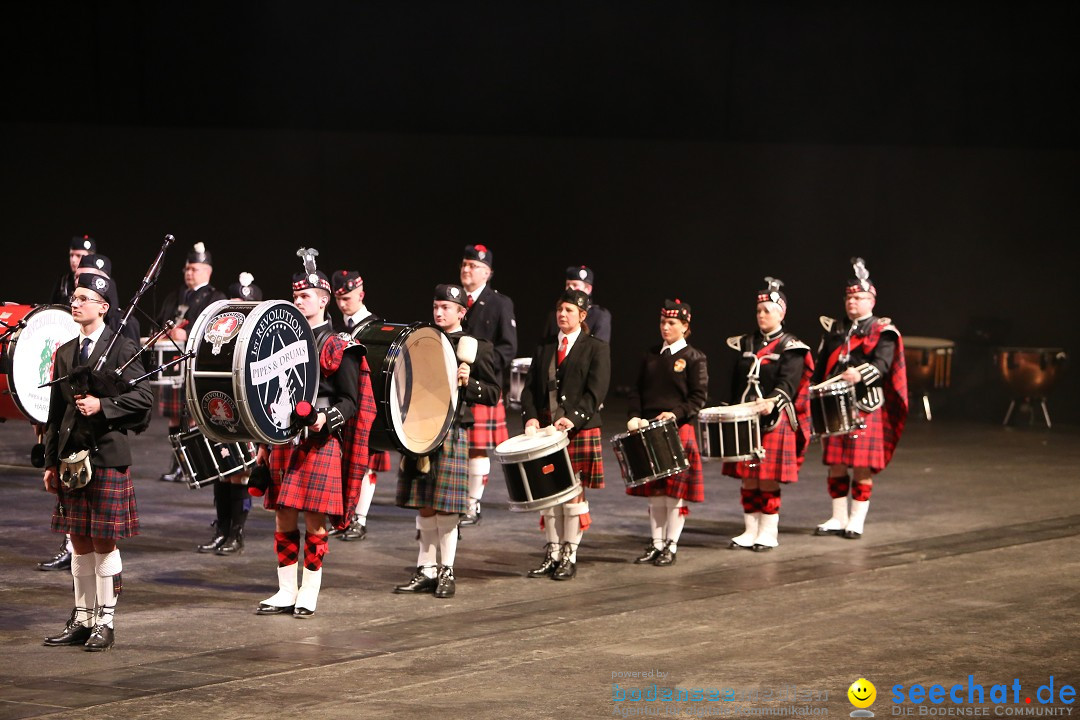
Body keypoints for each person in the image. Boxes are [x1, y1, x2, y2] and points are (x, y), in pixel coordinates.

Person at [41, 273, 153, 651]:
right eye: (74, 297)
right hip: (71, 460)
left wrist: (102, 406)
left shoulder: (122, 348)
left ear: (103, 307)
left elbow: (144, 398)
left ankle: (106, 621)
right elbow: (56, 414)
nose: (76, 303)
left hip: (106, 458)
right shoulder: (67, 352)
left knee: (104, 542)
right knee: (78, 540)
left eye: (85, 298)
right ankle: (82, 618)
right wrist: (50, 462)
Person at [255, 248, 358, 618]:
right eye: (295, 296)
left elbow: (350, 401)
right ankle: (285, 590)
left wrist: (321, 420)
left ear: (324, 300)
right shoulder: (282, 342)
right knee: (283, 516)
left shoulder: (338, 344)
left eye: (304, 296)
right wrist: (264, 444)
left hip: (320, 441)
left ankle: (309, 591)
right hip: (284, 438)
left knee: (314, 519)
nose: (298, 301)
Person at [394, 284, 500, 598]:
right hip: (419, 427)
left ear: (461, 313)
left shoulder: (475, 347)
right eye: (436, 306)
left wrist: (471, 383)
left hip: (452, 428)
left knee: (446, 507)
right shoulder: (421, 340)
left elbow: (493, 393)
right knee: (424, 503)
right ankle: (425, 568)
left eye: (446, 308)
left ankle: (447, 570)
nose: (439, 312)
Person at [813, 259, 908, 540]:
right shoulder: (835, 331)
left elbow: (883, 364)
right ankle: (838, 516)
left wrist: (860, 373)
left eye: (858, 297)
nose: (852, 302)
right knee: (836, 463)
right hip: (833, 405)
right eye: (849, 297)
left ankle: (856, 520)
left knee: (862, 465)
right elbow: (821, 366)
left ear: (871, 300)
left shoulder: (884, 331)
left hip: (866, 404)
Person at [520, 288, 610, 580]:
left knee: (572, 496)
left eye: (569, 310)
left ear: (582, 316)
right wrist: (531, 417)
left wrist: (573, 419)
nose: (562, 315)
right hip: (547, 432)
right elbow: (530, 390)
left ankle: (569, 554)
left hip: (578, 431)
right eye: (560, 310)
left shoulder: (596, 347)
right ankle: (552, 551)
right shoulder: (545, 347)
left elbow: (595, 392)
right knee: (548, 496)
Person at [721, 279, 814, 551]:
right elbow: (736, 380)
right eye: (759, 310)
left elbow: (790, 381)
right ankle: (750, 530)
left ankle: (768, 532)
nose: (762, 315)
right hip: (745, 418)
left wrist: (773, 401)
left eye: (768, 310)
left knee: (767, 476)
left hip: (774, 419)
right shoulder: (746, 342)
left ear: (781, 313)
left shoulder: (792, 346)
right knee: (749, 474)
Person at [625, 299, 707, 566]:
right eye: (663, 322)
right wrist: (634, 416)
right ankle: (656, 543)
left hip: (676, 429)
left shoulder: (694, 358)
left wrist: (676, 414)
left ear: (685, 325)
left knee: (674, 493)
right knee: (655, 493)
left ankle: (671, 544)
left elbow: (698, 398)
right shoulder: (650, 355)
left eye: (672, 323)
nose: (666, 327)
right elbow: (636, 390)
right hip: (648, 429)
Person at [195, 272, 264, 557]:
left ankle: (236, 533)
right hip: (222, 407)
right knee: (222, 472)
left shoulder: (261, 339)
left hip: (247, 412)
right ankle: (221, 530)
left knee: (242, 473)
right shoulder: (217, 337)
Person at [156, 242, 226, 482]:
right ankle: (177, 463)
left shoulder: (216, 298)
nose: (188, 273)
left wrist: (187, 335)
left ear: (208, 271)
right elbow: (160, 322)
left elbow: (218, 331)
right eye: (187, 268)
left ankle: (195, 465)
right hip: (173, 366)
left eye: (194, 268)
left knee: (194, 416)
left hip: (197, 366)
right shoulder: (174, 296)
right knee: (175, 416)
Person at [329, 269, 390, 542]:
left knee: (366, 464)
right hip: (343, 402)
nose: (343, 303)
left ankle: (360, 519)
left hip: (368, 404)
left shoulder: (373, 327)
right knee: (347, 462)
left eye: (348, 298)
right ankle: (345, 516)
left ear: (361, 295)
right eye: (339, 298)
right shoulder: (335, 327)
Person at [459, 244, 517, 526]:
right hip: (453, 384)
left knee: (477, 448)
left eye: (474, 266)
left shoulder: (499, 303)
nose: (467, 269)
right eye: (465, 264)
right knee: (457, 444)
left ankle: (473, 504)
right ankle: (457, 499)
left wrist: (478, 367)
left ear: (488, 272)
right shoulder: (453, 299)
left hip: (482, 383)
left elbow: (508, 348)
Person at [75, 254, 140, 342]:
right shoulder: (73, 315)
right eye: (77, 276)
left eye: (87, 276)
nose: (78, 281)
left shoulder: (126, 323)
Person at [541, 265, 612, 344]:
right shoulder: (555, 315)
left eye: (575, 285)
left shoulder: (599, 315)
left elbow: (599, 348)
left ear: (588, 289)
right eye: (568, 285)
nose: (570, 289)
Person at [49, 235, 96, 306]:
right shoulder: (63, 281)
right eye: (71, 255)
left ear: (91, 257)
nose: (73, 260)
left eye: (78, 256)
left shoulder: (100, 282)